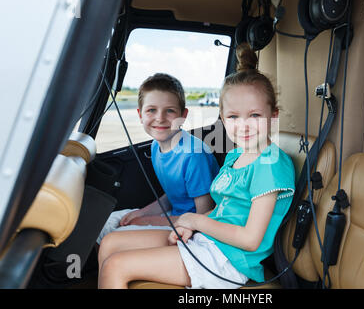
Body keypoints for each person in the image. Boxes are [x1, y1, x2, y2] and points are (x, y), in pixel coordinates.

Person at [97, 43, 295, 289]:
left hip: (229, 262)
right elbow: (222, 211)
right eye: (233, 116)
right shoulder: (235, 156)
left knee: (116, 265)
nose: (243, 125)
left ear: (273, 116)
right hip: (208, 242)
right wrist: (188, 227)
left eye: (254, 115)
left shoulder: (270, 165)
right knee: (109, 244)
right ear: (223, 118)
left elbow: (250, 240)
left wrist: (195, 221)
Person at [96, 73, 220, 243]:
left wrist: (149, 221)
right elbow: (173, 195)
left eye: (169, 111)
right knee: (101, 224)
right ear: (140, 114)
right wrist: (142, 213)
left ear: (183, 115)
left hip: (193, 228)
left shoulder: (193, 156)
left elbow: (203, 216)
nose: (160, 118)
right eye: (151, 110)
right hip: (175, 215)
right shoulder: (156, 146)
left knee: (114, 238)